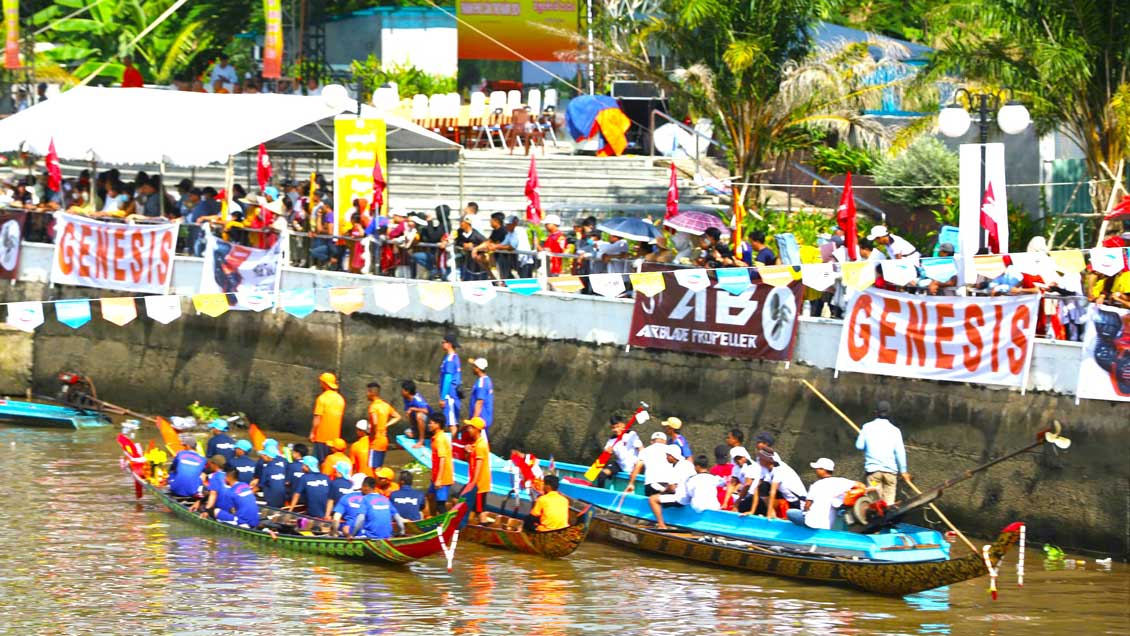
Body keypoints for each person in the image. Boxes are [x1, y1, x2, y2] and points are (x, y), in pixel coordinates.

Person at [855, 400, 909, 505]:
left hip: (874, 474)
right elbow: (900, 452)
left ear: (875, 412)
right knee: (889, 504)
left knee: (875, 503)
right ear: (889, 413)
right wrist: (904, 471)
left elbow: (859, 446)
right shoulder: (895, 430)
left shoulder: (867, 427)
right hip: (890, 475)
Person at [787, 458, 862, 530]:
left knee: (790, 512)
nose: (815, 470)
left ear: (823, 470)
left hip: (811, 524)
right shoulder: (841, 481)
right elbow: (861, 485)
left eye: (818, 468)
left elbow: (807, 506)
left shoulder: (815, 485)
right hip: (827, 526)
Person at [623, 432, 678, 528]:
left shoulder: (645, 451)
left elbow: (638, 466)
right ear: (664, 441)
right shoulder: (670, 450)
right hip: (667, 484)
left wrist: (631, 483)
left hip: (650, 484)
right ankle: (667, 523)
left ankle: (656, 523)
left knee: (652, 501)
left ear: (652, 441)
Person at [742, 448, 807, 519]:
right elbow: (757, 489)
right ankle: (773, 514)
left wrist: (769, 514)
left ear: (766, 460)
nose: (758, 459)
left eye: (760, 458)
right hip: (784, 497)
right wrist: (752, 511)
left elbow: (773, 492)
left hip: (798, 502)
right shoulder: (765, 468)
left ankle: (772, 515)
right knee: (762, 487)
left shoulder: (779, 470)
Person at [595, 415, 643, 489]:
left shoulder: (631, 434)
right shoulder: (611, 440)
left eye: (618, 426)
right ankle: (600, 493)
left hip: (634, 466)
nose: (616, 430)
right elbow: (606, 453)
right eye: (613, 428)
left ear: (623, 425)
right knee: (602, 475)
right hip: (619, 465)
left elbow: (641, 449)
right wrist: (607, 452)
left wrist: (638, 466)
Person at [364, 381, 401, 470]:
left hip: (376, 441)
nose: (366, 394)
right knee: (379, 467)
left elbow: (375, 422)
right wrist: (386, 425)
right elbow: (397, 417)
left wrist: (371, 431)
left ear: (371, 393)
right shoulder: (386, 405)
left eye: (367, 392)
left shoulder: (373, 407)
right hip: (384, 440)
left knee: (372, 468)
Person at [460, 416, 492, 517]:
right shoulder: (475, 444)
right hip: (476, 482)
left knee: (480, 510)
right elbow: (471, 462)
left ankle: (483, 526)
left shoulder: (481, 445)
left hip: (479, 484)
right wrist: (468, 452)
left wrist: (473, 484)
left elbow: (479, 466)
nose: (468, 429)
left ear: (477, 430)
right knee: (477, 507)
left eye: (470, 427)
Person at [310, 372, 345, 462]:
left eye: (321, 382)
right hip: (335, 440)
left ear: (325, 384)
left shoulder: (322, 398)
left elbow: (317, 419)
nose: (320, 385)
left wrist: (312, 433)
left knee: (319, 462)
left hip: (321, 437)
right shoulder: (340, 399)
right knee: (330, 462)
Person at [428, 412, 454, 514]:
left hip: (442, 477)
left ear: (438, 425)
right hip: (435, 476)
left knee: (440, 504)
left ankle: (446, 525)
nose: (429, 425)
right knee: (430, 496)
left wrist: (439, 479)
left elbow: (442, 459)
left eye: (431, 423)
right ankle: (433, 518)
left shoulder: (440, 439)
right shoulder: (436, 437)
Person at [250, 440, 288, 507]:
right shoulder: (282, 464)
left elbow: (259, 486)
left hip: (270, 500)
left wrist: (249, 493)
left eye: (264, 455)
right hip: (282, 498)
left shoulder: (266, 468)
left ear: (268, 456)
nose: (262, 456)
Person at [438, 333, 462, 431]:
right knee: (451, 422)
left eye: (443, 342)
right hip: (451, 395)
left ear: (449, 344)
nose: (442, 344)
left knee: (452, 423)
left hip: (449, 395)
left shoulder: (450, 360)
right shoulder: (452, 358)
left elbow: (448, 379)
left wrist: (443, 398)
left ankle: (454, 445)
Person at [401, 379, 432, 447]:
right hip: (418, 425)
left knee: (419, 415)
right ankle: (425, 434)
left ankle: (421, 440)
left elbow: (426, 411)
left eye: (402, 390)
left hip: (429, 423)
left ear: (407, 391)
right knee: (408, 433)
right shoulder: (406, 398)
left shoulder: (417, 399)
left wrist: (413, 409)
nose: (401, 392)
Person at [468, 358, 494, 431]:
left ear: (478, 369)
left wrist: (473, 423)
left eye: (474, 366)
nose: (472, 368)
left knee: (480, 442)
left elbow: (479, 403)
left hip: (480, 421)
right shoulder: (486, 379)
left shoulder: (481, 383)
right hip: (483, 419)